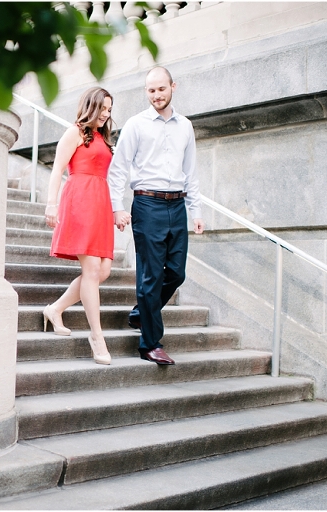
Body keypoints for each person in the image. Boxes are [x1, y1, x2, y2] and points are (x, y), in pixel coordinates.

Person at [108, 66, 205, 366]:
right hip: (147, 205)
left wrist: (196, 211)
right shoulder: (136, 125)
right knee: (150, 276)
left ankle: (141, 313)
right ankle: (150, 343)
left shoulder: (185, 126)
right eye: (151, 90)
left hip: (177, 206)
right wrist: (117, 207)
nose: (156, 95)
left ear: (173, 86)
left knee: (176, 273)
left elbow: (191, 172)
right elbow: (118, 169)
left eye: (161, 89)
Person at [43, 87, 115, 365]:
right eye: (103, 109)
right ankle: (97, 337)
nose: (107, 114)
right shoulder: (74, 132)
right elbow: (58, 169)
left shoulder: (101, 135)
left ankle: (56, 308)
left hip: (100, 203)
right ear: (91, 107)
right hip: (79, 201)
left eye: (110, 110)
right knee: (92, 269)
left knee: (102, 271)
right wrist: (51, 204)